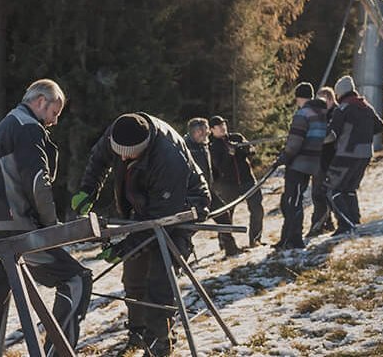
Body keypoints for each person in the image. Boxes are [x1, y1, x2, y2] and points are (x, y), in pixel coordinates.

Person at [0, 80, 91, 357]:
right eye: (55, 113)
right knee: (76, 279)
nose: (54, 121)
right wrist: (51, 227)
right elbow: (37, 182)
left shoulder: (7, 124)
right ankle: (60, 353)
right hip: (13, 231)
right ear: (41, 102)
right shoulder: (27, 127)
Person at [82, 114, 209, 357]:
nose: (122, 158)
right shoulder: (119, 130)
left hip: (181, 207)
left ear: (144, 146)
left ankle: (160, 339)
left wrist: (123, 247)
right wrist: (88, 188)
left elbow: (157, 220)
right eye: (118, 152)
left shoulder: (168, 158)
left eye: (128, 154)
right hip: (144, 208)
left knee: (160, 276)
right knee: (134, 275)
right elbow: (99, 159)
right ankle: (138, 331)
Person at [321, 75, 383, 232]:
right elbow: (380, 127)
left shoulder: (343, 109)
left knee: (332, 188)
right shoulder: (366, 107)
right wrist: (363, 133)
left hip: (346, 154)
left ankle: (345, 225)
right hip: (365, 154)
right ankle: (355, 222)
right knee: (349, 189)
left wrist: (315, 140)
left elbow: (331, 134)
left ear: (339, 93)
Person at [275, 82, 331, 250]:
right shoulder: (321, 113)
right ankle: (286, 238)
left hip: (298, 164)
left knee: (292, 201)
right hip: (312, 163)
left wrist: (284, 156)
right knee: (292, 200)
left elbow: (294, 142)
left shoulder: (303, 114)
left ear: (299, 98)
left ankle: (293, 239)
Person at [205, 116, 262, 256]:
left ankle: (255, 239)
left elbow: (252, 150)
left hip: (247, 180)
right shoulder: (212, 147)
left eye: (223, 124)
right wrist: (229, 154)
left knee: (257, 209)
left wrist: (242, 149)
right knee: (226, 216)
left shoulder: (237, 137)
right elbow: (220, 167)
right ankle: (225, 244)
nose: (222, 127)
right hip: (228, 185)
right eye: (218, 126)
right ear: (212, 130)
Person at [182, 117, 217, 197]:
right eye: (207, 129)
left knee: (223, 209)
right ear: (198, 132)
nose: (209, 132)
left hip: (207, 188)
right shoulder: (184, 147)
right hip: (193, 192)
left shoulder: (204, 144)